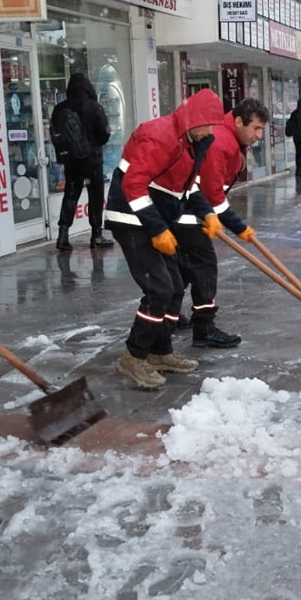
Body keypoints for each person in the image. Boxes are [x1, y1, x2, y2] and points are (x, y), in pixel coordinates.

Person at [104, 88, 225, 389]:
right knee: (159, 288)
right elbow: (133, 184)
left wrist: (207, 214)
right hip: (130, 218)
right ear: (194, 119)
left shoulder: (190, 143)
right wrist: (157, 230)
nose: (211, 131)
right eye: (209, 124)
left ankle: (159, 352)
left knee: (174, 286)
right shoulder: (162, 136)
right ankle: (133, 357)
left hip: (152, 218)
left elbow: (188, 188)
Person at [173, 98, 269, 349]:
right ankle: (204, 328)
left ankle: (167, 316)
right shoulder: (221, 142)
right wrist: (239, 227)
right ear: (239, 121)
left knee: (183, 267)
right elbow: (212, 195)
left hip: (189, 212)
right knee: (204, 267)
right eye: (256, 128)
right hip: (190, 214)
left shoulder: (228, 139)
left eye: (261, 130)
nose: (259, 135)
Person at [52, 73, 115, 251]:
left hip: (71, 162)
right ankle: (96, 234)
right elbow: (104, 133)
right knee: (95, 196)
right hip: (92, 160)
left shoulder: (59, 109)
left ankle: (63, 234)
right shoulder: (94, 107)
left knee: (71, 195)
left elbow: (55, 135)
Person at [286, 98, 301, 177]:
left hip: (296, 137)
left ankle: (299, 169)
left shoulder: (294, 113)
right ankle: (299, 169)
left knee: (298, 153)